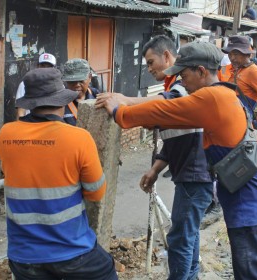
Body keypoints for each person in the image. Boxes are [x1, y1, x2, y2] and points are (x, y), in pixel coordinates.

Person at [96, 41, 257, 280]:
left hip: (249, 206)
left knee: (249, 275)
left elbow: (161, 110)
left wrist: (118, 110)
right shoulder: (225, 92)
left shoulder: (209, 98)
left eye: (184, 75)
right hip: (251, 201)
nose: (182, 81)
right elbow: (167, 109)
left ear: (201, 71)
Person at [99, 35, 213, 280]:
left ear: (167, 56)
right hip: (191, 174)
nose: (149, 69)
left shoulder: (182, 89)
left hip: (195, 174)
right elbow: (175, 136)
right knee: (188, 236)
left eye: (151, 62)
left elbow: (164, 104)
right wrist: (155, 169)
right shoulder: (177, 87)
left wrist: (124, 102)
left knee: (181, 239)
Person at [0, 68, 118, 280]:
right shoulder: (79, 138)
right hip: (72, 251)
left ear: (30, 103)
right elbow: (96, 193)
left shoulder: (6, 134)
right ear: (62, 101)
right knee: (106, 270)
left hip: (23, 256)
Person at [222, 35, 257, 130]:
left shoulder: (253, 71)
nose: (232, 58)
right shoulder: (237, 70)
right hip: (231, 119)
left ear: (246, 54)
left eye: (235, 54)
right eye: (230, 54)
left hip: (240, 122)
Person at [15, 53, 57, 119]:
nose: (45, 69)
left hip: (51, 124)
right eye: (43, 66)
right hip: (31, 124)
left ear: (54, 69)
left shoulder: (58, 85)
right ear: (38, 66)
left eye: (49, 66)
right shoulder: (25, 84)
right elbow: (20, 112)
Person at [62, 58, 100, 126]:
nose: (77, 85)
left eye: (81, 80)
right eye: (72, 81)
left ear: (90, 77)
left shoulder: (97, 95)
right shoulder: (60, 102)